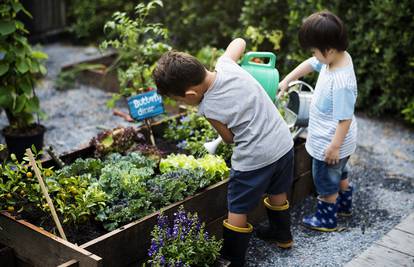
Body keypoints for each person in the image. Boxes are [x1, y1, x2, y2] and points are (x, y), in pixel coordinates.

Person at [153, 38, 294, 266]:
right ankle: (283, 236)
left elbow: (229, 138)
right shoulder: (226, 64)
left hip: (254, 158)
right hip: (283, 142)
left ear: (190, 94)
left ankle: (232, 258)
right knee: (278, 189)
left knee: (237, 206)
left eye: (179, 99)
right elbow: (239, 41)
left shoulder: (207, 107)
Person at [279, 11, 357, 231]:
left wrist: (334, 147)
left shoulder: (341, 82)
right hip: (341, 142)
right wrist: (288, 79)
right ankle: (344, 204)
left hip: (332, 142)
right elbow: (311, 64)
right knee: (340, 172)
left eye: (315, 50)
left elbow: (344, 119)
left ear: (329, 50)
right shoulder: (335, 57)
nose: (313, 54)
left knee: (324, 180)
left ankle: (326, 219)